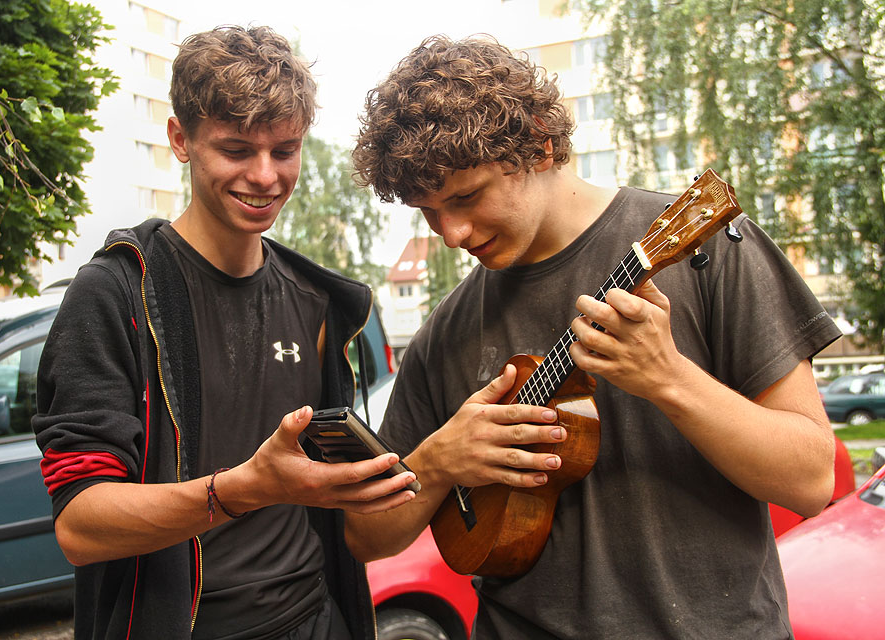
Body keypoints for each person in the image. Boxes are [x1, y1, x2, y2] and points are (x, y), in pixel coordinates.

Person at [344, 34, 841, 639]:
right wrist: (438, 462)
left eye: (466, 197)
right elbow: (365, 538)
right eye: (428, 211)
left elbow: (811, 481)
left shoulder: (706, 252)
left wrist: (670, 379)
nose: (451, 233)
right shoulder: (444, 333)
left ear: (540, 144)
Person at [32, 25, 415, 640]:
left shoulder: (318, 301)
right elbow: (81, 526)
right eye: (236, 150)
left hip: (318, 620)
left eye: (284, 150)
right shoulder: (114, 293)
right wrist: (243, 490)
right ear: (181, 140)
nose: (265, 177)